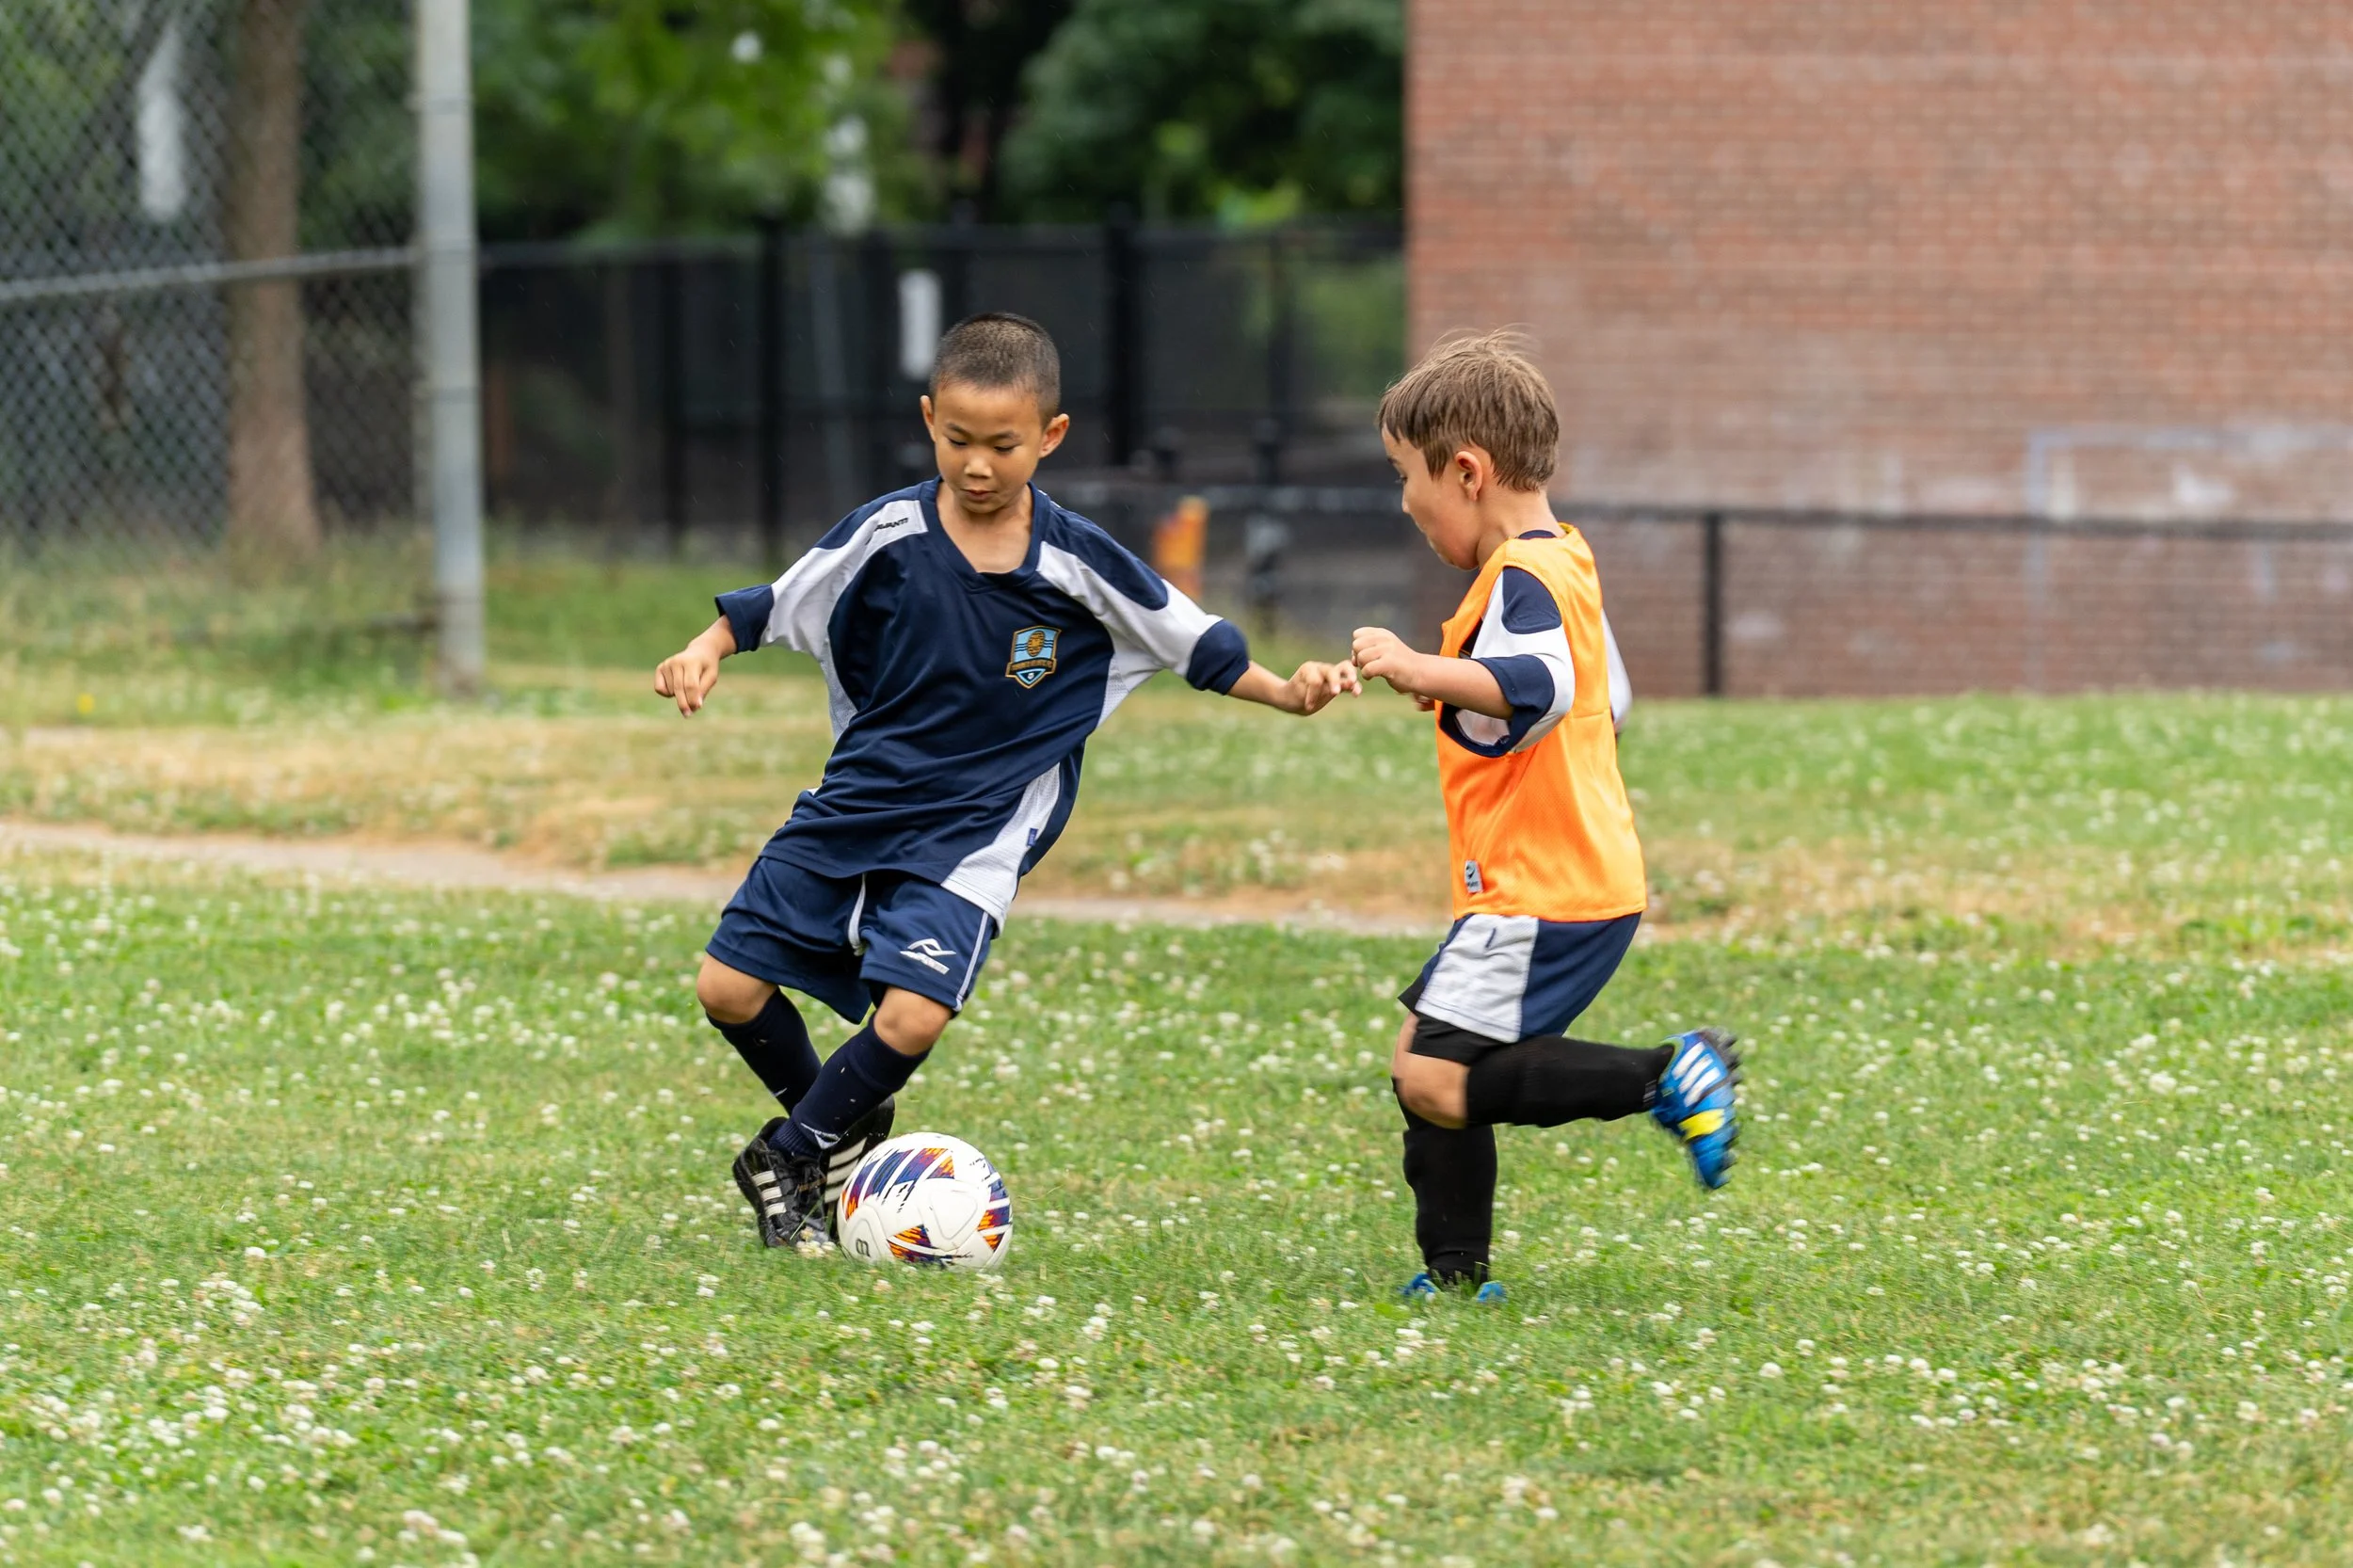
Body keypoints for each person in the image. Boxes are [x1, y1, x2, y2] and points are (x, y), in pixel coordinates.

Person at [653, 312, 1358, 1251]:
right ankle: (834, 1134)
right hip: (859, 797)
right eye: (956, 441)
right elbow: (774, 604)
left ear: (1050, 438)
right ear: (928, 420)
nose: (977, 466)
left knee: (916, 1010)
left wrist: (1287, 690)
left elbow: (1192, 639)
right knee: (725, 985)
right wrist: (703, 649)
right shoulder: (890, 534)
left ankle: (792, 1151)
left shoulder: (1075, 563)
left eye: (1002, 445)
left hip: (982, 822)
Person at [1348, 331, 1741, 1302]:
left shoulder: (1525, 576)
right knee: (1422, 1063)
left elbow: (1545, 682)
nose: (1404, 503)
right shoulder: (1565, 559)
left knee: (1437, 1077)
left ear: (1468, 471)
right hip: (1563, 881)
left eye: (1408, 478)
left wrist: (1419, 665)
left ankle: (1666, 1075)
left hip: (1541, 888)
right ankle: (1452, 1275)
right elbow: (1610, 697)